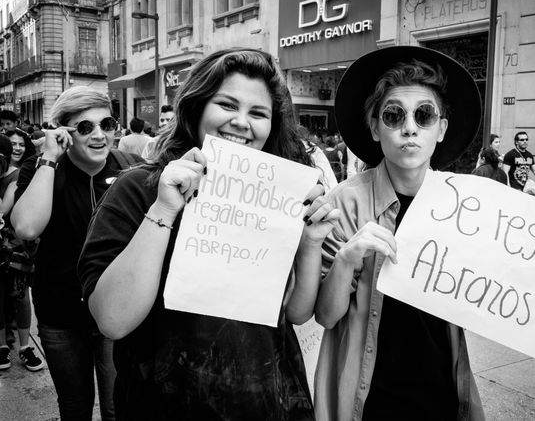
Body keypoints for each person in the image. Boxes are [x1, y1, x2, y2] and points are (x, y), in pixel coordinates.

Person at [313, 46, 535, 421]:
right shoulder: (346, 202)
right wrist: (347, 257)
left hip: (443, 393)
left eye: (424, 116)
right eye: (393, 115)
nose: (409, 127)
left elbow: (513, 291)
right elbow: (326, 315)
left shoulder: (471, 206)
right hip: (367, 397)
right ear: (375, 127)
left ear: (441, 129)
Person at [77, 48, 339, 420]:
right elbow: (112, 320)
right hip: (166, 406)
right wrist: (164, 210)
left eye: (258, 113)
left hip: (269, 402)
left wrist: (310, 243)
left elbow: (295, 313)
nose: (241, 122)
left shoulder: (277, 195)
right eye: (227, 105)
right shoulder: (140, 188)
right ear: (197, 107)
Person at [10, 86, 142, 420]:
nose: (100, 135)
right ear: (65, 132)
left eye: (107, 124)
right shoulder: (41, 169)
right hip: (61, 313)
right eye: (85, 127)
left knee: (119, 409)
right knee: (75, 407)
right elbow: (26, 228)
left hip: (118, 311)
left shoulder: (133, 169)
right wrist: (49, 159)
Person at [0, 130, 42, 371]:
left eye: (20, 144)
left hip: (16, 244)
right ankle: (4, 346)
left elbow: (5, 209)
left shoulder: (21, 173)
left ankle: (25, 347)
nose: (16, 148)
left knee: (19, 293)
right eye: (11, 144)